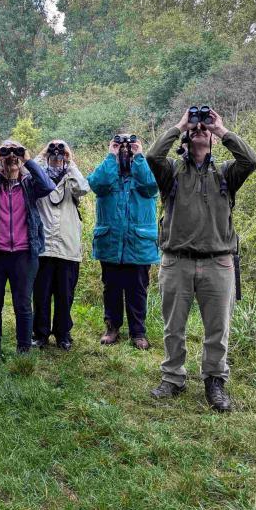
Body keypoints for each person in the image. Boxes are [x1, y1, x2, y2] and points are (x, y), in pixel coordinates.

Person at [146, 108, 256, 411]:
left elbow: (252, 160)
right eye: (194, 127)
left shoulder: (225, 173)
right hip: (176, 260)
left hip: (218, 261)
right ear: (186, 135)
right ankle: (173, 378)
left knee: (218, 327)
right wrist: (179, 125)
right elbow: (152, 157)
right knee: (174, 326)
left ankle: (214, 381)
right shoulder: (171, 171)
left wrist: (222, 130)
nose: (200, 129)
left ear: (212, 138)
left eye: (204, 127)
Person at [0, 140, 53, 362]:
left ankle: (23, 349)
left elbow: (48, 186)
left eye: (15, 156)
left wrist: (27, 158)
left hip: (25, 254)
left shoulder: (29, 184)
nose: (11, 159)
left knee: (23, 304)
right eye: (8, 155)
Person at [87, 134, 159, 349]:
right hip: (111, 242)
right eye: (120, 146)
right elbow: (96, 184)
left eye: (127, 147)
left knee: (138, 289)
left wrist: (139, 156)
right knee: (112, 288)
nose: (124, 150)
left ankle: (138, 332)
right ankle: (112, 327)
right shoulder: (108, 176)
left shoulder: (144, 174)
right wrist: (111, 154)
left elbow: (152, 185)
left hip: (139, 243)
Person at [32, 140, 90, 351]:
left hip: (67, 246)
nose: (56, 155)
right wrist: (42, 153)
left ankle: (63, 334)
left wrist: (70, 161)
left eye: (60, 152)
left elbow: (84, 188)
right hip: (43, 245)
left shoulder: (71, 178)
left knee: (65, 295)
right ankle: (40, 334)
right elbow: (29, 173)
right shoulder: (39, 178)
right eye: (53, 152)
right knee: (41, 294)